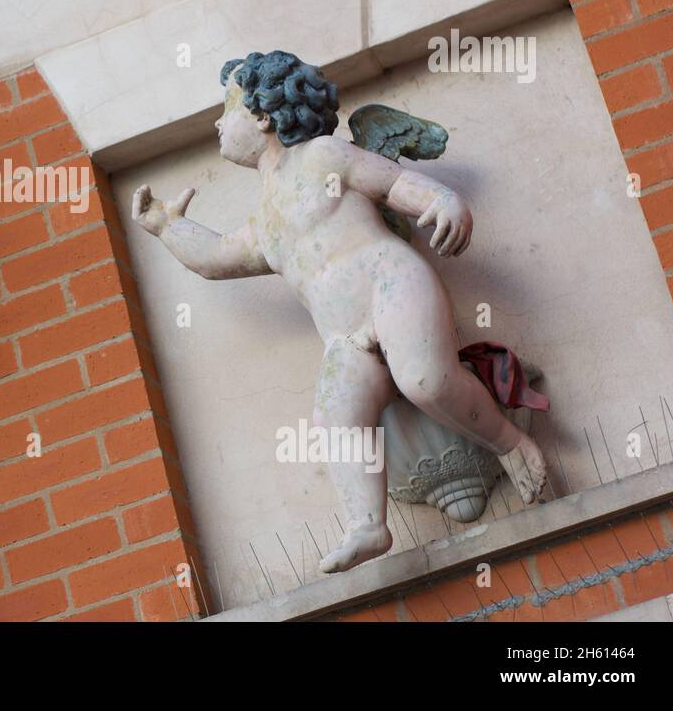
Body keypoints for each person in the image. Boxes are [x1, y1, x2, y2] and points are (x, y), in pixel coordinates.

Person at [132, 50, 548, 573]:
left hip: (390, 284)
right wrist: (168, 228)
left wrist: (441, 200)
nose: (218, 121)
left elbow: (393, 184)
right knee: (334, 419)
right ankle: (367, 526)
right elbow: (218, 259)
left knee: (426, 380)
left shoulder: (324, 156)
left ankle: (510, 444)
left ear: (263, 115)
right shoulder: (265, 217)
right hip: (343, 336)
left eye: (228, 107)